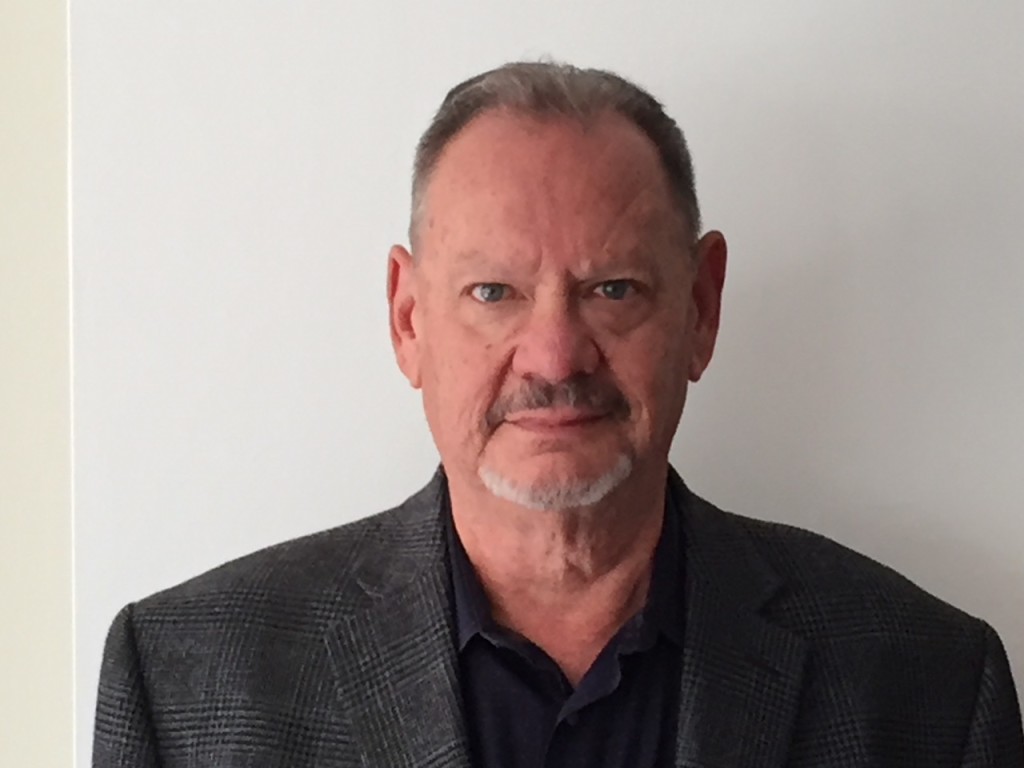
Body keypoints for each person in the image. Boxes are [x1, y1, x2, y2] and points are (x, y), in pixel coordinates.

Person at [93, 61, 1024, 767]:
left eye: (613, 289)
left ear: (701, 309)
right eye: (493, 292)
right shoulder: (184, 684)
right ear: (408, 320)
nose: (553, 356)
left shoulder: (929, 686)